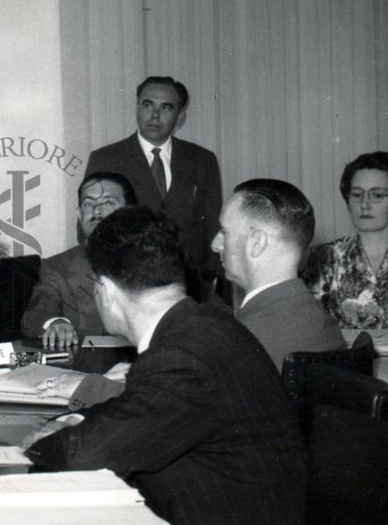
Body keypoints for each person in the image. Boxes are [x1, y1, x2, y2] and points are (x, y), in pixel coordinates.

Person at [24, 207, 307, 525]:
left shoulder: (180, 358)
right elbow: (134, 410)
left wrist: (36, 443)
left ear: (106, 290)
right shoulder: (204, 324)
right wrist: (76, 419)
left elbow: (82, 455)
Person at [85, 76, 222, 296]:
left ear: (180, 117)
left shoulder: (202, 159)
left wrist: (211, 282)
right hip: (129, 284)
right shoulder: (106, 159)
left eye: (166, 107)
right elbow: (90, 225)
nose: (155, 115)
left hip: (192, 287)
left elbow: (213, 225)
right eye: (147, 105)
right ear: (137, 108)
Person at [210, 179, 345, 370]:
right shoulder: (324, 323)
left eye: (225, 232)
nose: (215, 245)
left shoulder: (242, 338)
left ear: (257, 243)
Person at [21, 172, 137, 348]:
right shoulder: (57, 267)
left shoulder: (157, 258)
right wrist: (54, 323)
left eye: (108, 202)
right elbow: (36, 313)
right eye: (88, 203)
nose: (96, 211)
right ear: (79, 214)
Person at [303, 151, 388, 329]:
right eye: (357, 195)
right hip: (345, 357)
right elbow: (311, 329)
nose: (364, 204)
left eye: (377, 195)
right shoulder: (325, 257)